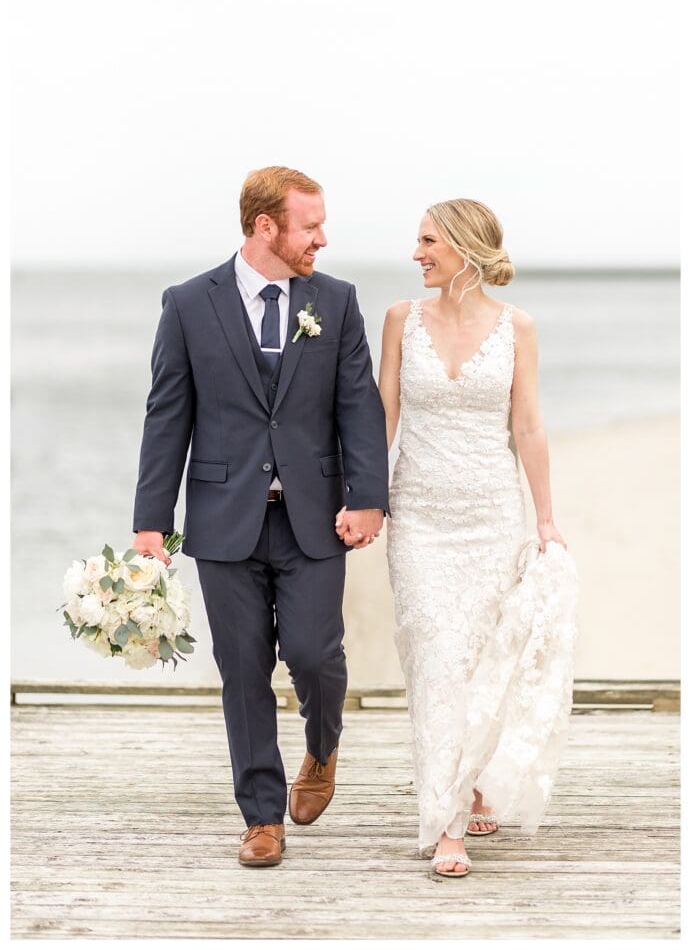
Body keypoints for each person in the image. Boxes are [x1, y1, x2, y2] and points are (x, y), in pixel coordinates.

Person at [132, 166, 389, 867]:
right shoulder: (188, 303)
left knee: (314, 656)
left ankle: (322, 748)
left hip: (313, 519)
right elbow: (167, 414)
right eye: (310, 226)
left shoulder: (335, 302)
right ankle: (261, 818)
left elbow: (357, 407)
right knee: (241, 670)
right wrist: (151, 521)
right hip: (223, 520)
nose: (322, 239)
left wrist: (367, 496)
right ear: (264, 227)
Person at [372, 198, 577, 877]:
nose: (416, 253)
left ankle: (475, 780)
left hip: (491, 517)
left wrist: (544, 520)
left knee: (482, 662)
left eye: (427, 240)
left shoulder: (517, 329)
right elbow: (383, 418)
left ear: (462, 246)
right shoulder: (400, 320)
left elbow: (528, 427)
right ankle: (447, 821)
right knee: (436, 659)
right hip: (420, 522)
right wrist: (361, 501)